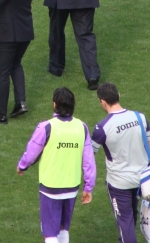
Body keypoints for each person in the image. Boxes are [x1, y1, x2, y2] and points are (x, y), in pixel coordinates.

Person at [17, 87, 96, 243]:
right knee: (63, 229)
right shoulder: (82, 127)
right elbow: (89, 160)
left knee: (50, 233)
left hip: (50, 188)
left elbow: (32, 151)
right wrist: (88, 188)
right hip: (72, 188)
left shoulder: (46, 127)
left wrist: (22, 166)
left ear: (54, 105)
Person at [91, 82, 150, 243]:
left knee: (125, 222)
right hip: (142, 179)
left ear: (103, 102)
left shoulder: (102, 128)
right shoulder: (140, 118)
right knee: (132, 215)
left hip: (119, 184)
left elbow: (89, 154)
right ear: (118, 96)